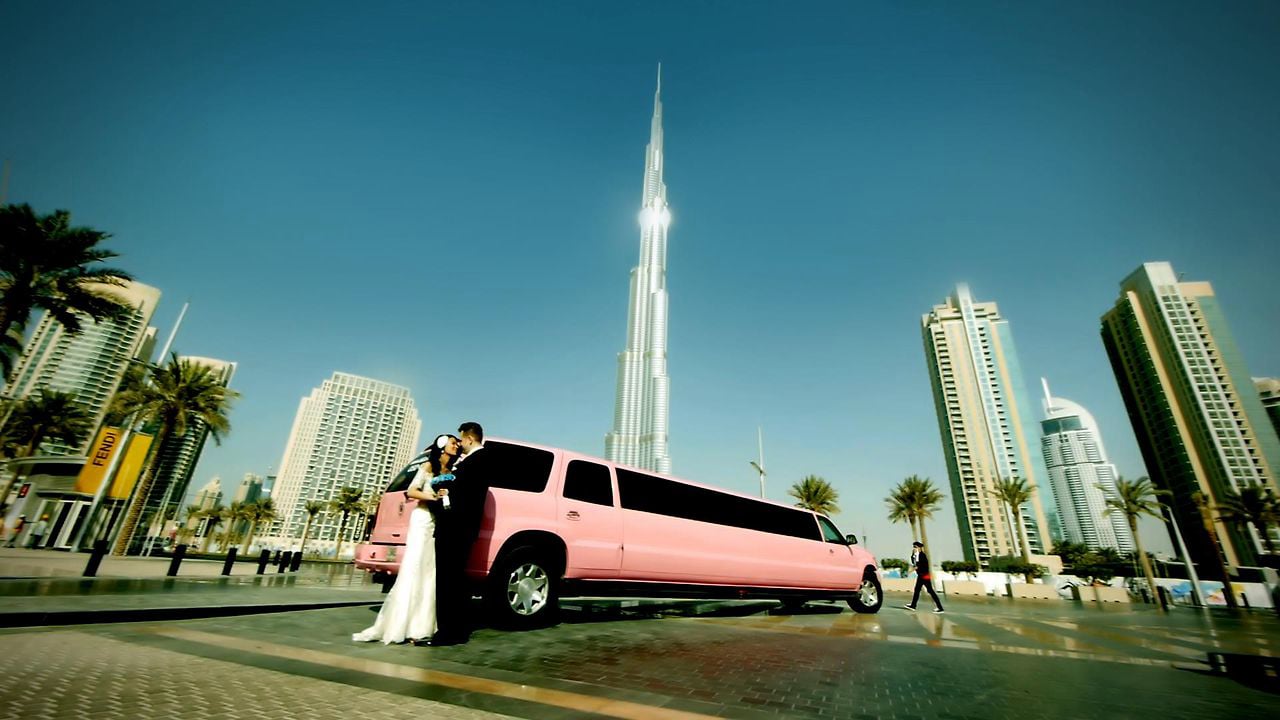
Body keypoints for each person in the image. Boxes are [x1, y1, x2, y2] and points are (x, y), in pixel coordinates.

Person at [352, 433, 460, 645]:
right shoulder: (429, 466)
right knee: (416, 566)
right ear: (442, 446)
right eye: (453, 443)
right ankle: (402, 623)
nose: (456, 446)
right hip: (422, 520)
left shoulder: (452, 471)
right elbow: (411, 491)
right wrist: (433, 497)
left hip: (437, 522)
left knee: (430, 570)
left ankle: (421, 626)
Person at [429, 421, 493, 645]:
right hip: (458, 527)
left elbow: (467, 494)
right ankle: (454, 629)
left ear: (469, 438)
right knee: (454, 580)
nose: (460, 444)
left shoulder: (480, 459)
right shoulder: (473, 461)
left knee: (448, 580)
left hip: (456, 527)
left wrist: (446, 492)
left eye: (461, 439)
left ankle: (448, 632)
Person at [904, 541, 944, 613]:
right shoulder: (916, 556)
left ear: (919, 548)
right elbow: (914, 563)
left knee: (930, 591)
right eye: (913, 547)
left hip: (924, 575)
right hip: (921, 575)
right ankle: (913, 605)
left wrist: (915, 569)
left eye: (915, 547)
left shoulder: (922, 555)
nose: (914, 548)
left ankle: (940, 608)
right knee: (917, 590)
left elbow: (920, 566)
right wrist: (913, 555)